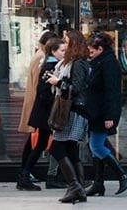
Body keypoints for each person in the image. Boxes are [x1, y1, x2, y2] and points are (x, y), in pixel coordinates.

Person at [84, 31, 127, 196]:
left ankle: (122, 175)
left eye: (92, 51)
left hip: (102, 112)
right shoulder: (100, 62)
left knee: (96, 146)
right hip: (96, 111)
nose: (90, 54)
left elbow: (112, 92)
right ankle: (98, 183)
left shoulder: (108, 64)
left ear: (100, 49)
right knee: (97, 147)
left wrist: (109, 116)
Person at [46, 29, 91, 204]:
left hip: (73, 110)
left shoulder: (78, 63)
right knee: (71, 150)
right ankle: (77, 187)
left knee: (57, 149)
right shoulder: (71, 63)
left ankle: (75, 186)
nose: (64, 44)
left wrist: (59, 82)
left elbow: (76, 88)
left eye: (66, 40)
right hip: (71, 109)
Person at [17, 31, 59, 191]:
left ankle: (25, 174)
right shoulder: (44, 59)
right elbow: (40, 86)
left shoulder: (40, 56)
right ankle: (25, 174)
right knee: (38, 142)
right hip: (40, 106)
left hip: (38, 105)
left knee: (37, 142)